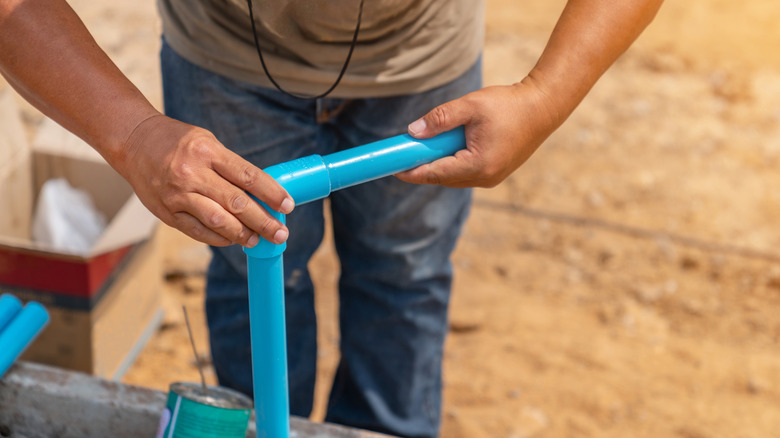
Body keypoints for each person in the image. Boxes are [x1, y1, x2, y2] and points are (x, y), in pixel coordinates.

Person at [0, 0, 663, 436]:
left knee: (403, 275)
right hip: (224, 58)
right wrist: (133, 132)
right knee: (254, 265)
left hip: (422, 61)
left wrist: (545, 97)